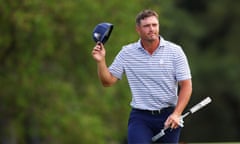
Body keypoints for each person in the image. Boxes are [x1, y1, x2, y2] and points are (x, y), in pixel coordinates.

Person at [91, 9, 192, 144]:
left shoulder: (175, 51)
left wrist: (177, 113)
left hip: (169, 116)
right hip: (140, 118)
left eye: (154, 25)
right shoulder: (127, 52)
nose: (152, 29)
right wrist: (101, 61)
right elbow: (108, 81)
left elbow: (186, 85)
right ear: (138, 29)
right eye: (146, 26)